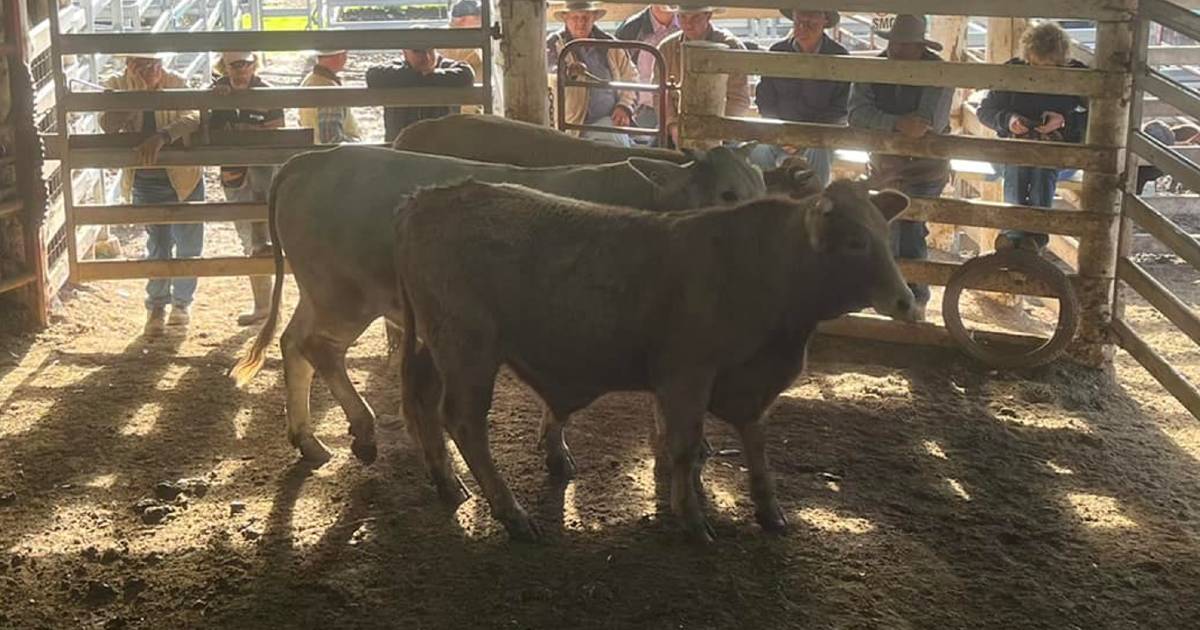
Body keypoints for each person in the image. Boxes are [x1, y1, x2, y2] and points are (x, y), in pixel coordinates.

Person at [848, 14, 953, 322]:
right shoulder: (874, 68)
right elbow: (856, 114)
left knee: (910, 230)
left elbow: (929, 123)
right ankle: (892, 298)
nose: (896, 50)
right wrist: (897, 123)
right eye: (894, 43)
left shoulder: (939, 72)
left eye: (904, 45)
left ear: (919, 47)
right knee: (888, 230)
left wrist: (884, 122)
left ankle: (913, 301)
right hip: (887, 164)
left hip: (923, 168)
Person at [100, 52, 204, 335]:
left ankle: (182, 304)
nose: (152, 69)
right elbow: (108, 124)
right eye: (143, 64)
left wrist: (164, 135)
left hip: (183, 177)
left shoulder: (177, 82)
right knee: (157, 242)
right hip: (145, 177)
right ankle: (157, 306)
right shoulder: (117, 84)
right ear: (129, 65)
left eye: (156, 63)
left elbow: (193, 116)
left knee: (189, 244)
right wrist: (137, 96)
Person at [977, 22, 1089, 253]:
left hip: (1058, 153)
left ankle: (1027, 236)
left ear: (1062, 60)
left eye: (1050, 67)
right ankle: (1022, 236)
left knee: (1042, 165)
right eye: (1035, 65)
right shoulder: (1013, 70)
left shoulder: (1079, 75)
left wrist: (1064, 121)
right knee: (1019, 163)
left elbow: (1098, 118)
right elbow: (985, 111)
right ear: (1027, 57)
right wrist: (1008, 120)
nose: (1041, 73)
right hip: (1012, 148)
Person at [210, 51, 285, 326]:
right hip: (235, 172)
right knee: (248, 235)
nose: (241, 69)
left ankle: (271, 304)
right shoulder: (215, 94)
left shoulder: (266, 93)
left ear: (255, 64)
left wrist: (240, 130)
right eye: (235, 65)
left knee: (270, 235)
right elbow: (208, 131)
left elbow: (277, 130)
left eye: (246, 63)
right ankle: (264, 305)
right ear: (225, 67)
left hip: (263, 171)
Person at [752, 9, 848, 185]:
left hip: (818, 135)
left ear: (824, 21)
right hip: (780, 132)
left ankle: (814, 199)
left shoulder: (839, 55)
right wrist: (779, 133)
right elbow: (765, 98)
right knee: (759, 150)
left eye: (810, 24)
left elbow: (840, 107)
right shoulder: (777, 51)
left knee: (820, 149)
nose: (803, 28)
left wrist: (805, 136)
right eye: (798, 23)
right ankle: (764, 200)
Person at [546, 1, 638, 147]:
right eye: (575, 18)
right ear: (566, 18)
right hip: (574, 124)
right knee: (618, 145)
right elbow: (550, 72)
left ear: (594, 18)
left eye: (585, 18)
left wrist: (624, 106)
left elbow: (631, 77)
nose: (581, 23)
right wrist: (567, 71)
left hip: (611, 120)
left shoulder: (610, 44)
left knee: (619, 141)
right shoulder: (554, 45)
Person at [658, 5, 750, 148]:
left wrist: (719, 130)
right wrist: (673, 125)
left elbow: (739, 98)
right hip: (679, 126)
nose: (688, 23)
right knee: (655, 158)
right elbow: (660, 94)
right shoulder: (666, 48)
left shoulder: (731, 46)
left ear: (708, 16)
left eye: (695, 17)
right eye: (682, 17)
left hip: (722, 128)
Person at [366, 48, 475, 142]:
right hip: (402, 146)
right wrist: (426, 76)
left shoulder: (448, 65)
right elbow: (372, 76)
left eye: (430, 50)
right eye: (418, 51)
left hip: (442, 146)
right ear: (405, 53)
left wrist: (423, 76)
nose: (426, 57)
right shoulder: (394, 66)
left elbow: (467, 75)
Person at [615, 5, 680, 141]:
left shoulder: (688, 23)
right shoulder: (631, 29)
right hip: (642, 110)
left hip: (680, 107)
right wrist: (626, 106)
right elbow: (619, 71)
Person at [299, 49, 361, 144]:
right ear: (341, 56)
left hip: (315, 149)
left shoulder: (309, 80)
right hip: (336, 156)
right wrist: (357, 145)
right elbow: (331, 139)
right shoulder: (329, 89)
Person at [443, 0, 486, 113]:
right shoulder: (466, 45)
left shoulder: (441, 37)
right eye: (477, 18)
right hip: (466, 110)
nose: (481, 22)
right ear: (463, 20)